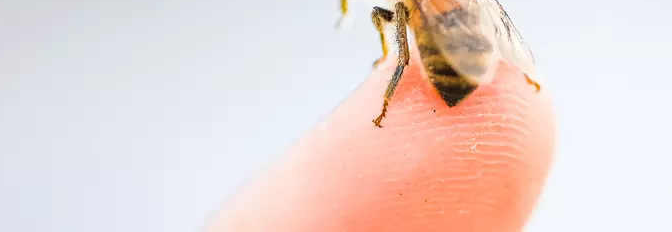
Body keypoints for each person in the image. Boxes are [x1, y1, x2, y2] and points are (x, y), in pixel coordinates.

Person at [204, 50, 556, 232]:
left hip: (453, 75)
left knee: (400, 49)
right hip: (466, 49)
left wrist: (389, 92)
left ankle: (392, 90)